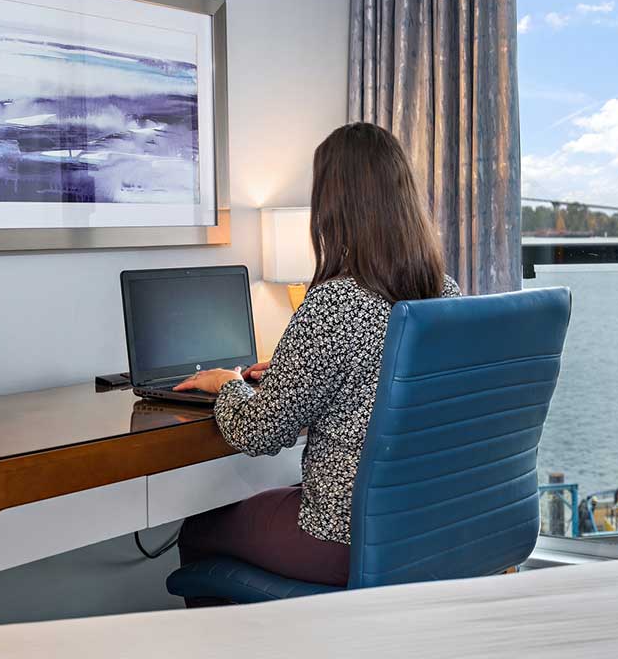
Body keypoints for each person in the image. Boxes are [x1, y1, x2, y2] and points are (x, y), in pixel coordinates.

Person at [173, 122, 460, 592]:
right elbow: (377, 386)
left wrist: (228, 383)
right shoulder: (445, 294)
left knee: (199, 530)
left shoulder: (335, 302)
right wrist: (291, 374)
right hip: (422, 522)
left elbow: (259, 430)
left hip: (344, 535)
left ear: (334, 205)